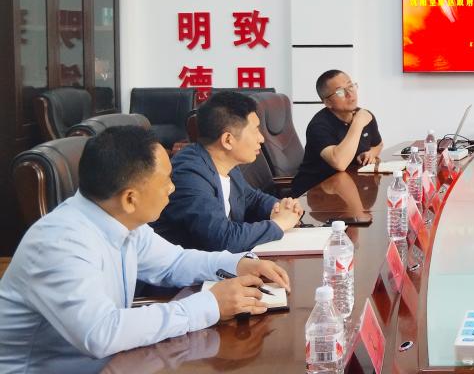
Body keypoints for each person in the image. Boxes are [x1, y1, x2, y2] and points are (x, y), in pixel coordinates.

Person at [0, 127, 291, 369]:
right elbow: (101, 333)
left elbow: (174, 262)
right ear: (130, 198)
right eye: (165, 181)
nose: (172, 188)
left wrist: (237, 263)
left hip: (116, 363)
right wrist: (210, 305)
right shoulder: (59, 244)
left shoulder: (120, 219)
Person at [153, 91, 303, 252]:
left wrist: (280, 207)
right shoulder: (189, 175)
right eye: (255, 130)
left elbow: (252, 199)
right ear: (228, 140)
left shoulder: (226, 164)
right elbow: (222, 239)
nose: (261, 138)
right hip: (191, 267)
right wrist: (279, 224)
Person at [291, 70, 383, 197]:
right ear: (327, 102)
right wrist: (357, 123)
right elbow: (339, 163)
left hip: (348, 187)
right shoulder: (319, 126)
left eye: (350, 86)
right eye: (340, 92)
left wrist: (370, 154)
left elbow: (378, 144)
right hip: (315, 194)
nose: (349, 94)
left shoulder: (364, 115)